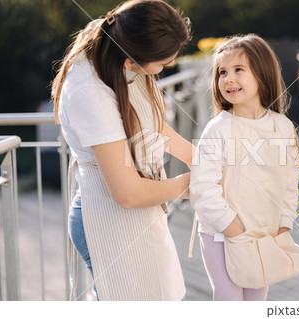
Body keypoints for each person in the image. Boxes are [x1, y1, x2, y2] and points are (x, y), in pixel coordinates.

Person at [51, 0, 193, 301]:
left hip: (139, 213)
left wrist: (201, 160)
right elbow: (127, 194)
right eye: (163, 65)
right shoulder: (89, 92)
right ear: (132, 63)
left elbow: (154, 127)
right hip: (107, 218)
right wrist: (193, 185)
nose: (165, 69)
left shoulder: (116, 48)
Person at [190, 34, 299, 301]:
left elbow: (288, 182)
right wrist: (235, 231)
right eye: (222, 72)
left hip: (264, 234)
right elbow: (202, 188)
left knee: (256, 302)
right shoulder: (219, 128)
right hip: (222, 234)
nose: (228, 79)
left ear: (262, 74)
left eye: (238, 70)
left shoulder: (282, 127)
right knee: (230, 300)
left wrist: (283, 226)